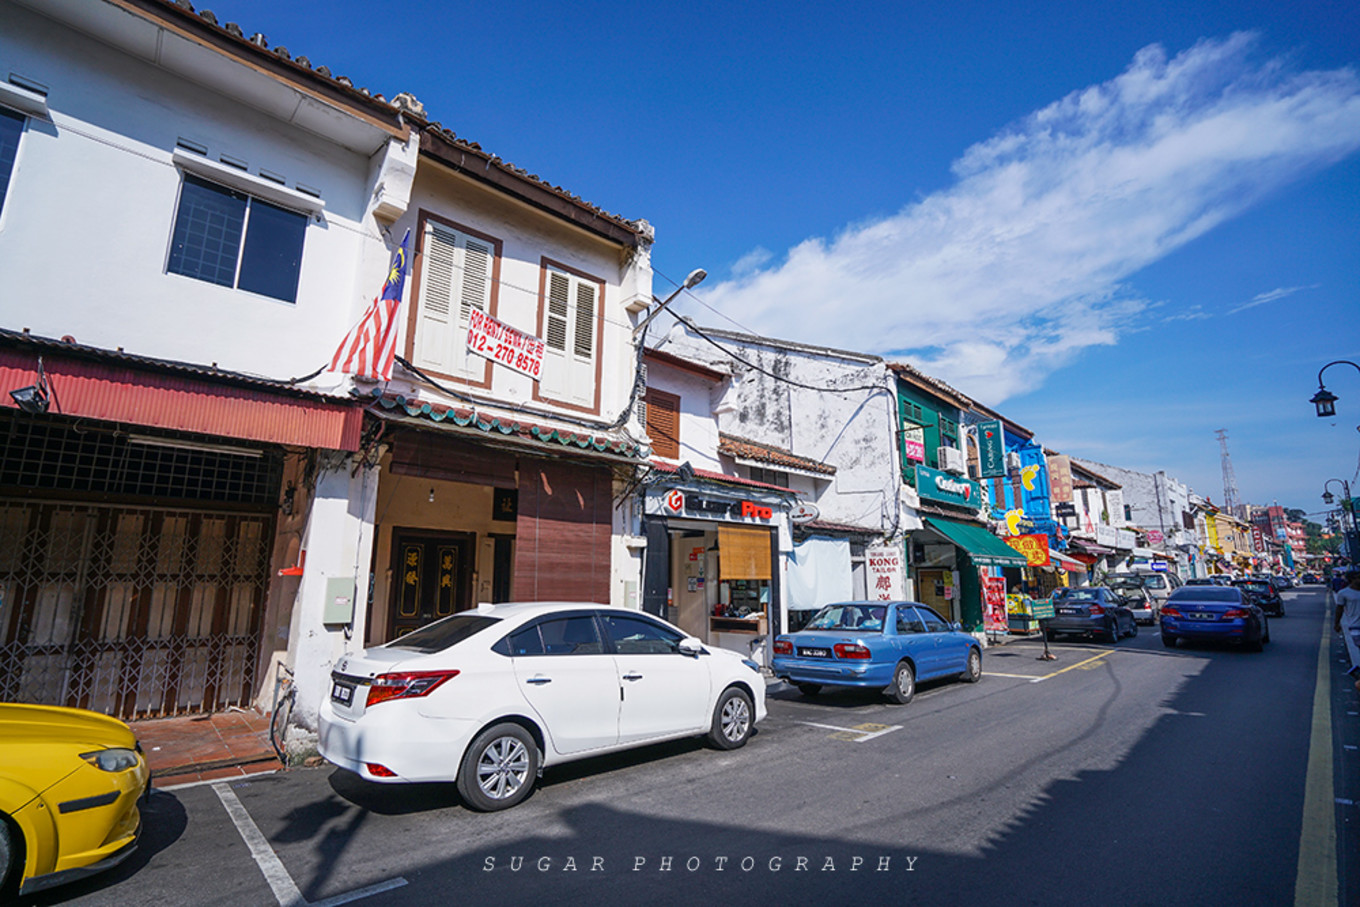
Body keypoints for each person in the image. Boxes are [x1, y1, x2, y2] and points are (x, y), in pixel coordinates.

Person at [1335, 569, 1360, 692]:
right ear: (1352, 579)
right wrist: (1337, 624)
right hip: (1356, 627)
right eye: (1357, 577)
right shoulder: (1344, 593)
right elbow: (1339, 609)